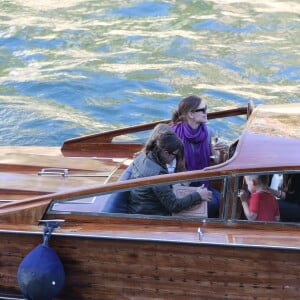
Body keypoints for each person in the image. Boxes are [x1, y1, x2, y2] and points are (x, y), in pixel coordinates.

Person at [128, 129, 212, 215]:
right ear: (166, 153)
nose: (175, 159)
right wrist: (198, 195)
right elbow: (174, 206)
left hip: (138, 209)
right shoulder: (158, 174)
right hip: (152, 217)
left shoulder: (143, 156)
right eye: (175, 155)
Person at [171, 95, 228, 217]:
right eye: (203, 110)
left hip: (202, 183)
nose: (206, 112)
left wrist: (219, 152)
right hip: (181, 183)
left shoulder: (209, 132)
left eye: (206, 109)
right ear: (191, 114)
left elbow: (217, 161)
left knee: (221, 201)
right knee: (211, 204)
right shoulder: (173, 133)